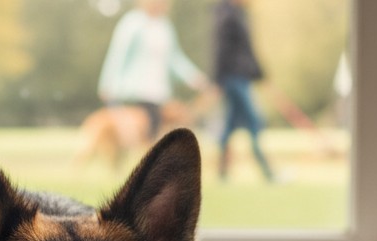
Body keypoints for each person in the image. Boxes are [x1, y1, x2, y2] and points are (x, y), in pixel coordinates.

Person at [98, 0, 207, 141]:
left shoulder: (165, 27)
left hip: (159, 92)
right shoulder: (132, 23)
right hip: (135, 92)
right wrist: (107, 84)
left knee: (153, 135)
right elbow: (117, 56)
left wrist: (193, 77)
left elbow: (175, 59)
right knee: (138, 135)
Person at [213, 0, 275, 182]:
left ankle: (222, 173)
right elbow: (220, 51)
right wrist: (218, 79)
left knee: (230, 126)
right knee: (254, 121)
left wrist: (259, 74)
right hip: (234, 78)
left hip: (242, 77)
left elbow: (247, 50)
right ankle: (268, 172)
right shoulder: (227, 16)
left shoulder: (238, 14)